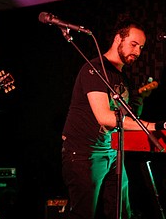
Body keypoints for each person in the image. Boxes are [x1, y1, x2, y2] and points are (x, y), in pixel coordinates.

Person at [61, 14, 160, 219]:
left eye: (141, 47)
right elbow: (105, 118)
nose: (138, 51)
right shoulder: (94, 69)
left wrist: (140, 97)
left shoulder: (122, 77)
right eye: (133, 44)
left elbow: (128, 117)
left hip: (111, 150)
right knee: (84, 213)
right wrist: (153, 126)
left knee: (121, 211)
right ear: (118, 39)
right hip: (84, 153)